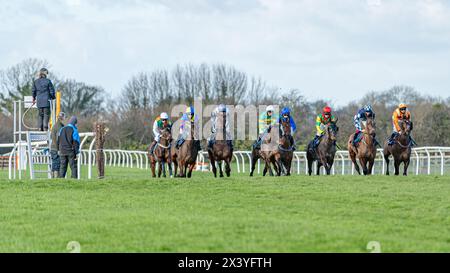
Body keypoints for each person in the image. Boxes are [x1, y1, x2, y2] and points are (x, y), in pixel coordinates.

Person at [50, 112, 66, 178]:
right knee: (57, 163)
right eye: (64, 117)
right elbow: (58, 138)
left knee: (54, 163)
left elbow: (52, 137)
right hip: (56, 148)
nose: (65, 118)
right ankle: (56, 178)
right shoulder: (59, 127)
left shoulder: (56, 126)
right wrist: (58, 149)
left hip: (53, 147)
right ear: (61, 118)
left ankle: (54, 178)